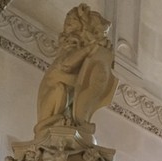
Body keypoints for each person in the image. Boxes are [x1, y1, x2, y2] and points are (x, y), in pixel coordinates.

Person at [34, 3, 118, 136]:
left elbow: (79, 83)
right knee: (60, 89)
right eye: (68, 18)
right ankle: (51, 122)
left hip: (65, 105)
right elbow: (65, 65)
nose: (68, 22)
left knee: (64, 94)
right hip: (51, 102)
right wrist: (89, 48)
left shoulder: (79, 46)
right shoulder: (71, 46)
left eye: (73, 20)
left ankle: (65, 121)